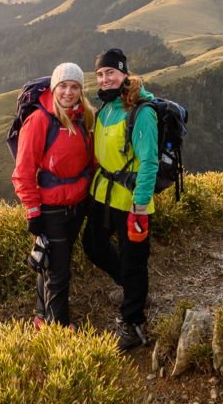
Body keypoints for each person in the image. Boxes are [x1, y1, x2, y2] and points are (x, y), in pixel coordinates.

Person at [82, 47, 157, 350]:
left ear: (124, 73)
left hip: (130, 200)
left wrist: (139, 209)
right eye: (100, 74)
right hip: (103, 195)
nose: (105, 78)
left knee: (134, 260)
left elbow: (149, 162)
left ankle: (133, 324)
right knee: (93, 246)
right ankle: (130, 288)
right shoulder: (107, 109)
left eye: (110, 72)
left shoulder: (141, 111)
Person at [11, 62, 95, 328]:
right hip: (51, 208)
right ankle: (60, 331)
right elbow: (23, 172)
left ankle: (40, 318)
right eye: (63, 86)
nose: (68, 92)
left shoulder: (84, 115)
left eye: (74, 87)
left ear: (81, 90)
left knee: (49, 261)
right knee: (59, 271)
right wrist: (33, 213)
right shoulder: (39, 120)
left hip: (77, 204)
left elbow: (89, 160)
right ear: (53, 87)